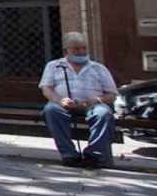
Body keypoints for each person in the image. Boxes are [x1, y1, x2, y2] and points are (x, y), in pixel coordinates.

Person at [39, 32, 118, 167]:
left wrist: (95, 100)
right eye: (76, 49)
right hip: (64, 104)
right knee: (51, 110)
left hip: (93, 105)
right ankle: (69, 155)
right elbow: (46, 89)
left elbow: (112, 94)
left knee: (103, 113)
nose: (81, 52)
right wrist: (60, 100)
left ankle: (94, 155)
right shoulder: (54, 66)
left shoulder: (98, 68)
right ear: (66, 51)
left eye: (83, 48)